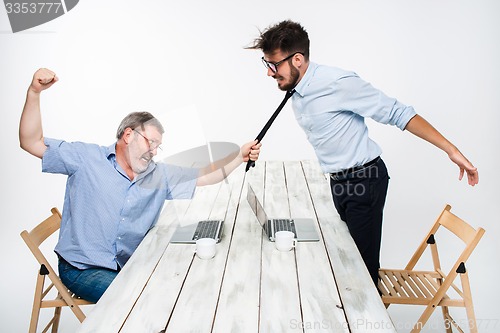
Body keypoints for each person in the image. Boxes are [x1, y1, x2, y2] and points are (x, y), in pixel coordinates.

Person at [247, 20, 478, 287]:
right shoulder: (296, 90)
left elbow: (398, 113)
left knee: (363, 274)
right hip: (339, 183)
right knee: (348, 262)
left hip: (364, 181)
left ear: (297, 59)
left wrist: (452, 150)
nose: (269, 73)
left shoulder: (337, 83)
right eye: (267, 65)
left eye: (273, 65)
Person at [19, 68, 262, 302]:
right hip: (82, 268)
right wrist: (34, 92)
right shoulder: (85, 158)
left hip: (125, 266)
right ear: (128, 135)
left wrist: (239, 157)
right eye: (150, 142)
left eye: (158, 146)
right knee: (142, 300)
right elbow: (31, 142)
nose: (154, 151)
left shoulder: (157, 174)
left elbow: (204, 175)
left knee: (181, 285)